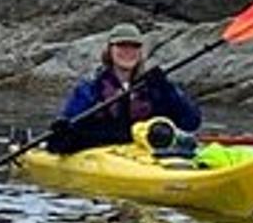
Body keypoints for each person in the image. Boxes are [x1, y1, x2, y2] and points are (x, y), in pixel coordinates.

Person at [45, 22, 202, 153]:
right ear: (110, 51)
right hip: (103, 153)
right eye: (121, 45)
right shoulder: (91, 88)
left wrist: (166, 89)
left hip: (146, 154)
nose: (128, 51)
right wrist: (63, 127)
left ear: (140, 52)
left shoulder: (154, 87)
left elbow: (191, 122)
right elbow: (67, 127)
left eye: (134, 46)